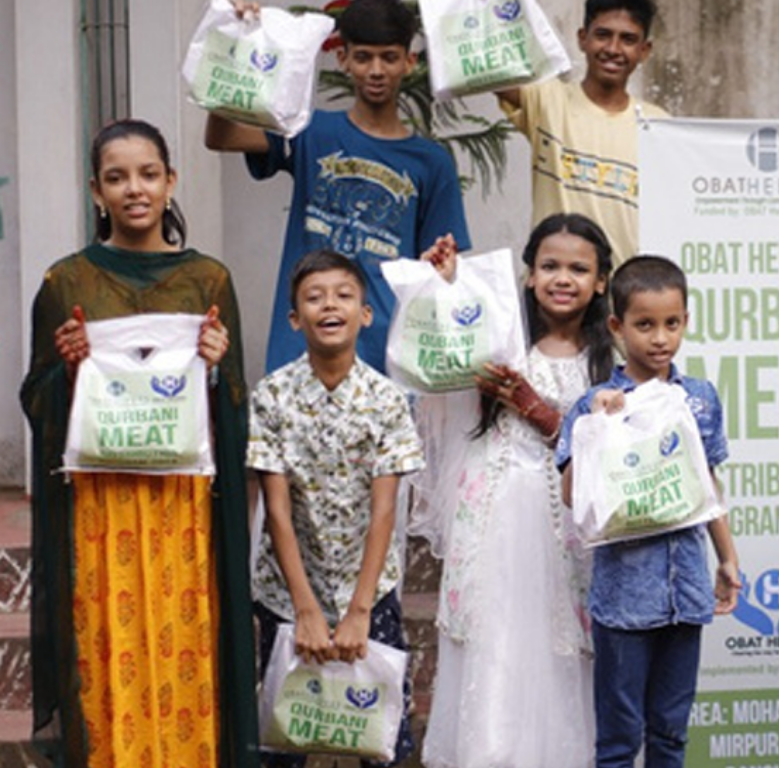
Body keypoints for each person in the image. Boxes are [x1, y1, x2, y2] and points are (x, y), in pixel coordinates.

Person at [20, 119, 257, 768]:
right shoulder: (66, 283)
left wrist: (216, 369)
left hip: (184, 511)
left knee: (186, 647)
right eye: (117, 177)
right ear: (96, 191)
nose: (135, 189)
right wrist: (68, 371)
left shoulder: (208, 280)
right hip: (101, 512)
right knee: (105, 651)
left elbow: (236, 401)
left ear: (170, 181)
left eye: (148, 174)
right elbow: (36, 399)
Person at [419, 213, 616, 768]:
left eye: (578, 269)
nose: (562, 278)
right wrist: (446, 286)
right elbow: (440, 356)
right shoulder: (501, 338)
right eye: (549, 266)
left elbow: (612, 451)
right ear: (529, 275)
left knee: (562, 642)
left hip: (567, 523)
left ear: (601, 280)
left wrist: (540, 411)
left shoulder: (607, 359)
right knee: (497, 640)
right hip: (497, 513)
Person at [206, 0, 471, 374]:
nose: (376, 70)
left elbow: (443, 272)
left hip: (385, 357)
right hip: (299, 348)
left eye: (389, 58)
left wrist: (441, 267)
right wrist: (236, 40)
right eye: (363, 57)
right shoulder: (309, 130)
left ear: (409, 63)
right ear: (343, 59)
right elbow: (222, 136)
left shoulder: (432, 162)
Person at [554, 255, 740, 768]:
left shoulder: (698, 398)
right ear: (617, 326)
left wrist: (727, 558)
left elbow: (706, 486)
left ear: (685, 321)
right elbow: (572, 494)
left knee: (671, 733)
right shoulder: (595, 402)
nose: (660, 338)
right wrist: (598, 428)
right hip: (624, 598)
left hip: (687, 592)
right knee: (619, 740)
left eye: (672, 323)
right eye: (645, 325)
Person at [247, 250, 425, 767]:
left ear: (365, 314)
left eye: (344, 295)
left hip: (367, 588)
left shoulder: (387, 399)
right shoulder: (272, 395)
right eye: (315, 297)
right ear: (294, 318)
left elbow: (385, 512)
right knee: (286, 735)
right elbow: (277, 509)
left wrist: (359, 611)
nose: (330, 305)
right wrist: (304, 610)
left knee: (379, 738)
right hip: (288, 590)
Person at [496, 0, 668, 267]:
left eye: (628, 39)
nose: (613, 49)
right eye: (603, 35)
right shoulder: (548, 101)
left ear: (644, 50)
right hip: (553, 286)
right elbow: (487, 67)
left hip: (624, 288)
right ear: (582, 38)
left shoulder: (657, 126)